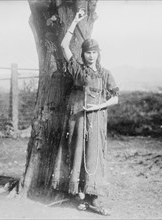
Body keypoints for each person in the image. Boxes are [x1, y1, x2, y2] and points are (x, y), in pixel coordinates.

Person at [51, 9, 119, 215]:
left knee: (94, 155)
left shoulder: (106, 74)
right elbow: (63, 45)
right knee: (77, 151)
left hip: (97, 118)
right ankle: (77, 194)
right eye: (88, 52)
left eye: (94, 52)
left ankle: (93, 197)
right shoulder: (78, 70)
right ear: (83, 54)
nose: (91, 55)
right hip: (78, 117)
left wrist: (98, 106)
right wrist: (74, 21)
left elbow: (115, 98)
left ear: (98, 53)